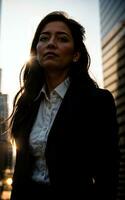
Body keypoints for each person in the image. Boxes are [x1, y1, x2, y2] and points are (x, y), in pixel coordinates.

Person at [9, 11, 119, 200]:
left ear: (76, 55)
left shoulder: (98, 101)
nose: (51, 43)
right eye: (44, 38)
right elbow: (20, 172)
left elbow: (107, 173)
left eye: (62, 39)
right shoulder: (27, 103)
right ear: (37, 51)